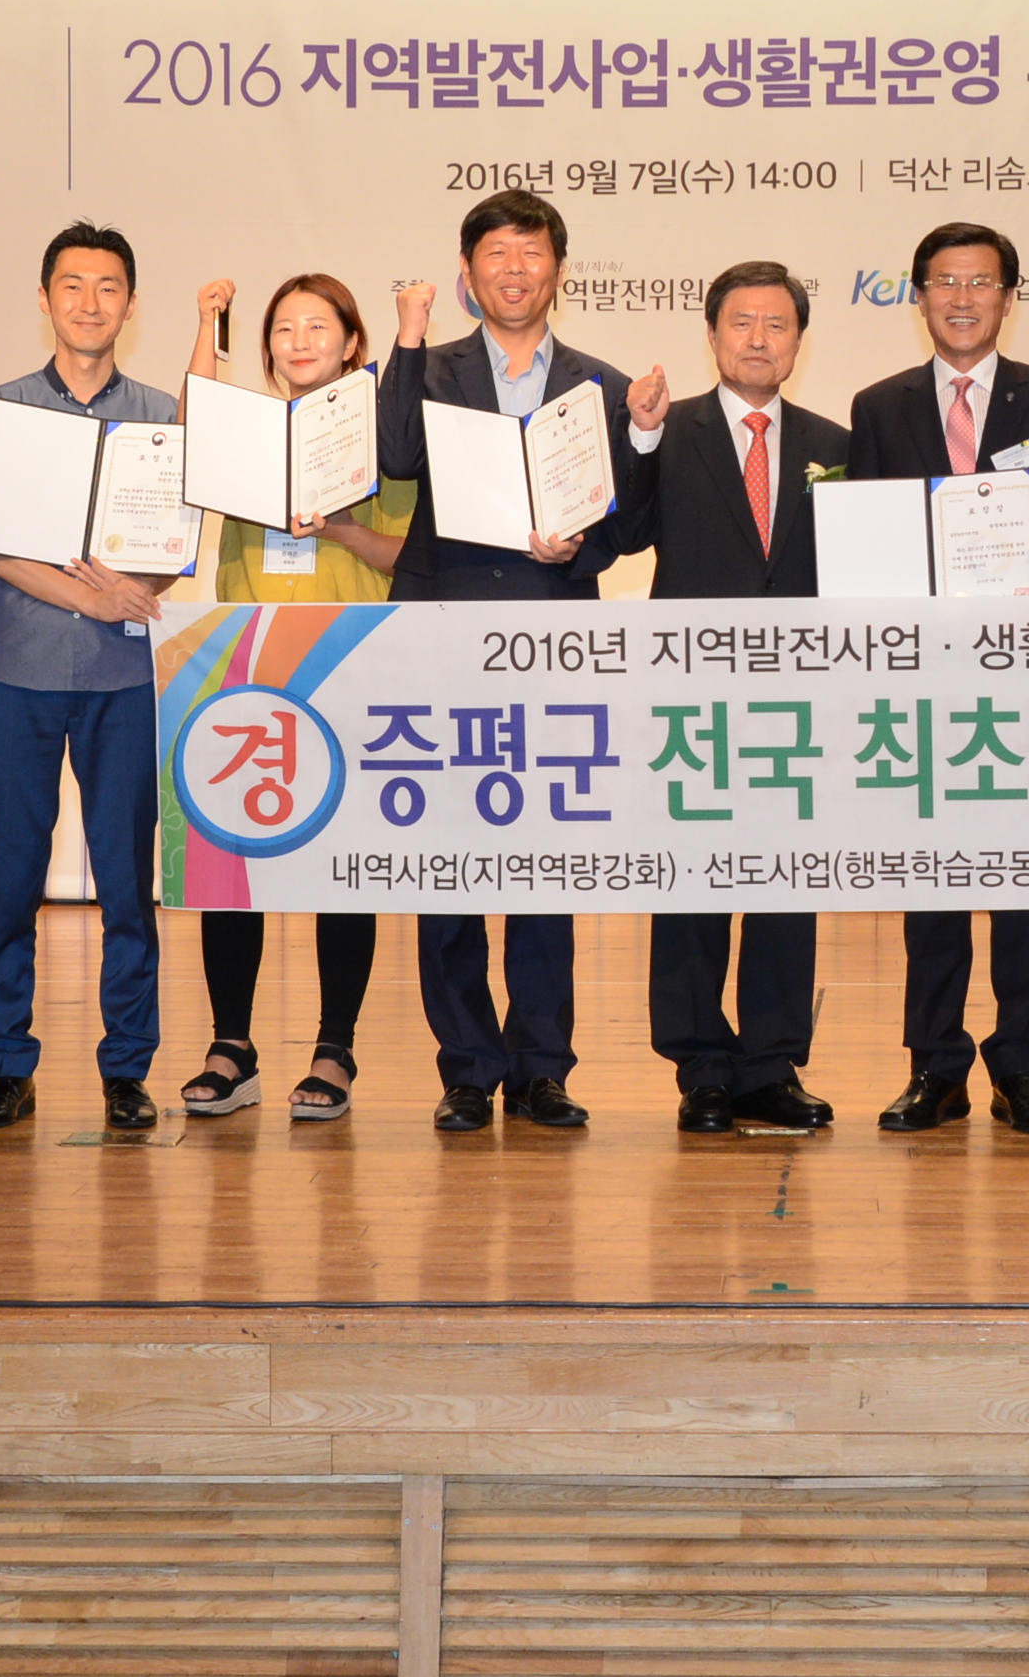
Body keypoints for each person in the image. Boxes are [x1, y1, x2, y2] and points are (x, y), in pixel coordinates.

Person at [376, 186, 649, 1134]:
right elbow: (394, 457)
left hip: (552, 639)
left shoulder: (601, 385)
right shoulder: (431, 364)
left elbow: (627, 524)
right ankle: (466, 1067)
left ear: (558, 270)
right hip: (442, 636)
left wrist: (585, 543)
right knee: (447, 862)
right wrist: (407, 338)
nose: (515, 270)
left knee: (542, 863)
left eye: (531, 254)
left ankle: (541, 1068)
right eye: (496, 255)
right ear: (468, 273)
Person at [842, 222, 1029, 1139]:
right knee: (935, 883)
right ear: (918, 297)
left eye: (980, 282)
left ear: (1007, 298)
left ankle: (1021, 1067)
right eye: (944, 281)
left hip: (1023, 679)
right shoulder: (879, 406)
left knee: (1023, 883)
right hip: (922, 680)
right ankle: (935, 1067)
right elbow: (865, 547)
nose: (961, 298)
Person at [0, 223, 178, 1134]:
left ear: (131, 303)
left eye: (108, 286)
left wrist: (132, 587)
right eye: (73, 286)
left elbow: (170, 546)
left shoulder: (162, 415)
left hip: (124, 680)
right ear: (44, 299)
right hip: (18, 675)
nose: (90, 303)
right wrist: (95, 596)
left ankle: (127, 1067)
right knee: (12, 883)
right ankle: (7, 1064)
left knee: (127, 884)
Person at [616, 261, 849, 1136]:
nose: (758, 339)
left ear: (799, 341)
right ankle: (702, 1067)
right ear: (712, 335)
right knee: (693, 882)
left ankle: (770, 1066)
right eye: (741, 323)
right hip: (691, 695)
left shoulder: (838, 442)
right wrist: (638, 441)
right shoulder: (664, 429)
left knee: (785, 880)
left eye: (776, 325)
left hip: (799, 697)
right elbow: (623, 532)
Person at [176, 271, 413, 1121]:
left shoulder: (383, 439)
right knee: (229, 863)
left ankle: (334, 1049)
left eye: (319, 327)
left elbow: (405, 556)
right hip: (246, 662)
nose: (300, 341)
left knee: (341, 868)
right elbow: (187, 434)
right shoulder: (245, 435)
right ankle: (231, 1047)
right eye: (283, 329)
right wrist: (209, 325)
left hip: (349, 662)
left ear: (352, 343)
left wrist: (341, 528)